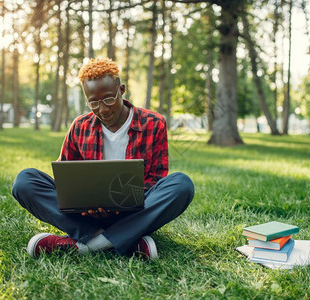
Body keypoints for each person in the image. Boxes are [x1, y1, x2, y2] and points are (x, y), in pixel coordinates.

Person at [11, 57, 194, 260]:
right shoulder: (79, 126)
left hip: (133, 212)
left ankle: (88, 245)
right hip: (85, 216)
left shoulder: (154, 123)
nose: (103, 109)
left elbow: (156, 180)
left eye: (108, 99)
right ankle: (126, 242)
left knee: (181, 184)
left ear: (121, 90)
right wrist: (86, 204)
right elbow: (65, 180)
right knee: (25, 181)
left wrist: (116, 206)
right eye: (93, 103)